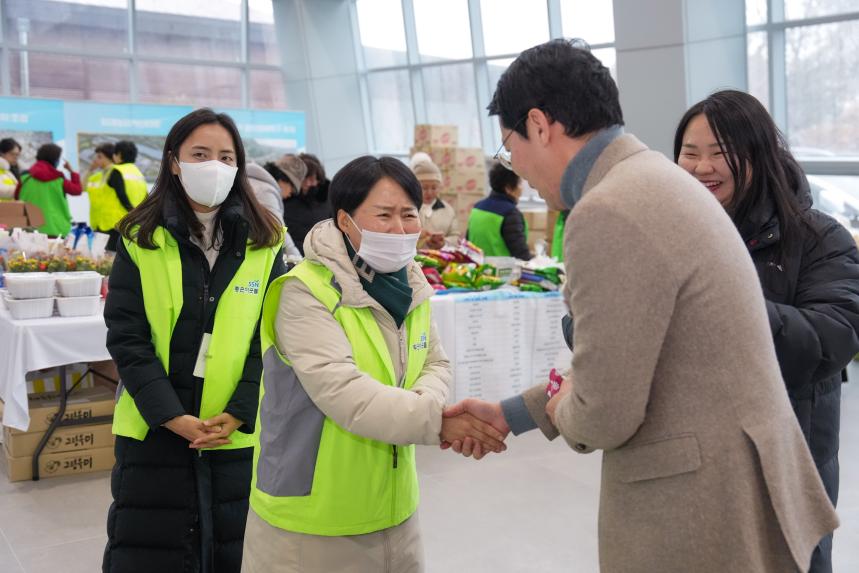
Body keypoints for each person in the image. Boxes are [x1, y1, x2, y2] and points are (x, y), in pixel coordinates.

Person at [443, 39, 839, 572]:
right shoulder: (651, 179)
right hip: (735, 484)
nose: (518, 168)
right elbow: (632, 357)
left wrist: (566, 412)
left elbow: (605, 414)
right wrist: (515, 414)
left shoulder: (609, 211)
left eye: (509, 146)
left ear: (540, 124)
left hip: (699, 505)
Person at [241, 155, 506, 573]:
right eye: (383, 215)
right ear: (345, 220)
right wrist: (440, 421)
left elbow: (435, 363)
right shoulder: (304, 291)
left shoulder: (411, 283)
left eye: (408, 215)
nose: (400, 229)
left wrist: (424, 405)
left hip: (394, 507)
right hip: (313, 518)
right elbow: (346, 394)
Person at [674, 89, 859, 573]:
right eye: (690, 153)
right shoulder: (665, 232)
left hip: (787, 462)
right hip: (693, 458)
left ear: (759, 155)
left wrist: (718, 298)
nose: (701, 166)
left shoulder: (819, 238)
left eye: (719, 152)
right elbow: (597, 326)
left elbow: (829, 340)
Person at [102, 108, 285, 573]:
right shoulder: (139, 236)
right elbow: (127, 338)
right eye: (200, 154)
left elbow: (272, 338)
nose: (215, 166)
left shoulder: (266, 241)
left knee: (231, 550)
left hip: (232, 431)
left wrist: (242, 410)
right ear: (174, 161)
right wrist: (170, 415)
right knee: (150, 550)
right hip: (154, 428)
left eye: (226, 157)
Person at [467, 162, 532, 260]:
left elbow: (468, 242)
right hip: (502, 273)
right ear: (508, 188)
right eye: (519, 183)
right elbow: (520, 252)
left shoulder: (477, 207)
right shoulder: (510, 213)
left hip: (476, 270)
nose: (521, 188)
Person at [18, 143, 82, 236]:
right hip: (56, 228)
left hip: (28, 228)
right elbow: (77, 190)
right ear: (55, 160)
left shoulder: (25, 177)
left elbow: (16, 197)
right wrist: (72, 171)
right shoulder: (59, 180)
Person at [246, 160, 301, 259]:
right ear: (284, 180)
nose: (289, 195)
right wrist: (297, 258)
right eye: (291, 190)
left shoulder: (253, 181)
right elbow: (278, 229)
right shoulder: (266, 191)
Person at [279, 152, 332, 255]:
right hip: (294, 257)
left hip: (325, 256)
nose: (307, 184)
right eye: (304, 179)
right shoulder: (286, 197)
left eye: (311, 179)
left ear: (318, 178)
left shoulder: (328, 197)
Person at [411, 156, 459, 249]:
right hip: (413, 261)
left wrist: (444, 243)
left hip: (441, 260)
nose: (429, 192)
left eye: (434, 188)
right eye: (424, 188)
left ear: (439, 187)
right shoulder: (408, 209)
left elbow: (455, 236)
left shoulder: (448, 210)